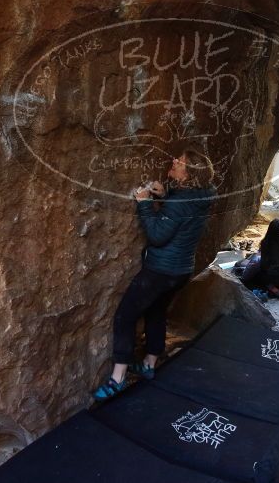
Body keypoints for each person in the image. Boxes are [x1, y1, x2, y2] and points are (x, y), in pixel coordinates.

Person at [93, 147, 215, 400]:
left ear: (189, 173)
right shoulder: (205, 194)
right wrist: (166, 194)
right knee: (156, 312)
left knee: (124, 316)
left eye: (179, 162)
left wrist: (145, 204)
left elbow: (158, 237)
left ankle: (117, 377)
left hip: (161, 270)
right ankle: (148, 363)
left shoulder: (182, 201)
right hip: (181, 271)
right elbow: (182, 211)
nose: (174, 161)